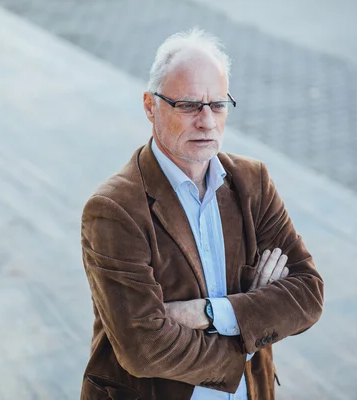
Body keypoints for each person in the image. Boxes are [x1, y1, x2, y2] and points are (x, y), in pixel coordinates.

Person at [79, 28, 324, 400]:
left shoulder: (252, 182)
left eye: (218, 104)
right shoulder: (114, 210)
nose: (207, 121)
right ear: (150, 106)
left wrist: (211, 313)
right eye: (190, 105)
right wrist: (251, 322)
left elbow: (307, 293)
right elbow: (144, 348)